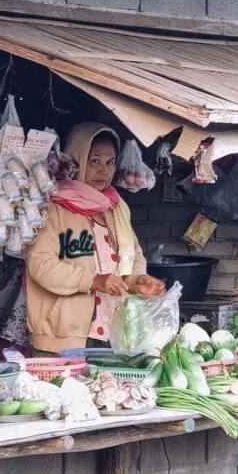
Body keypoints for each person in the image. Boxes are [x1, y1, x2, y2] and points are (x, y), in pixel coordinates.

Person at [25, 123, 165, 354]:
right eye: (95, 161)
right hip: (63, 339)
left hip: (113, 334)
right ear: (75, 160)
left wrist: (136, 280)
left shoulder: (116, 206)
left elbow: (133, 255)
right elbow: (41, 265)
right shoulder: (53, 207)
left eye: (110, 162)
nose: (104, 171)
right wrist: (92, 280)